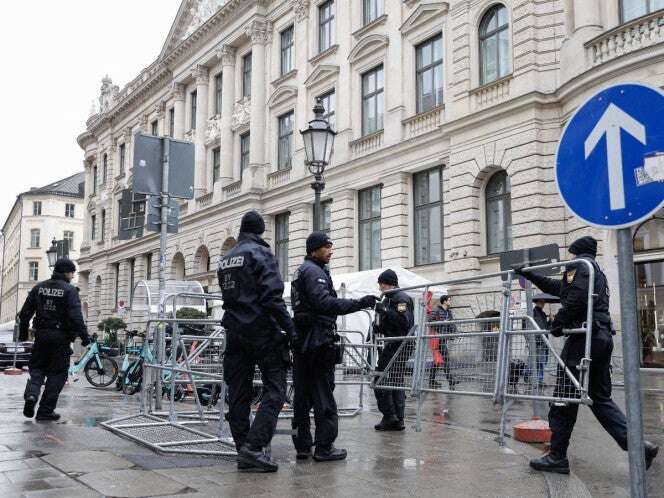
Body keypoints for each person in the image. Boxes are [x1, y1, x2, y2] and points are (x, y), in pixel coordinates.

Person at [516, 236, 658, 474]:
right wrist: (530, 275)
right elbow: (561, 289)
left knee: (564, 399)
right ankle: (639, 447)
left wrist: (557, 325)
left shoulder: (579, 266)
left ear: (576, 252)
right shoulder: (595, 271)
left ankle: (557, 457)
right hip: (601, 338)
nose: (570, 258)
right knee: (600, 400)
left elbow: (574, 300)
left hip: (584, 339)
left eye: (571, 254)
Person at [218, 210, 298, 473]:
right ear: (261, 230)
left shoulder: (226, 259)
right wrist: (291, 330)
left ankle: (244, 449)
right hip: (262, 332)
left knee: (238, 393)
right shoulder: (261, 253)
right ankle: (254, 447)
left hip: (234, 331)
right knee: (275, 389)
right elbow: (272, 298)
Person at [290, 232, 377, 461]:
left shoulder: (302, 271)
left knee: (303, 396)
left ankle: (302, 446)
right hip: (317, 341)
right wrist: (359, 303)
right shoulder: (314, 272)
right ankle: (324, 447)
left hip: (304, 340)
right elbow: (324, 303)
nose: (331, 250)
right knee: (322, 395)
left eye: (331, 246)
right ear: (314, 249)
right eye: (326, 246)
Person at [19, 258, 90, 421]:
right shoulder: (70, 290)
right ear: (66, 272)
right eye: (72, 272)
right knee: (57, 374)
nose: (73, 276)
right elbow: (76, 317)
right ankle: (45, 411)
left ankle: (31, 396)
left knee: (37, 369)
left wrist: (23, 335)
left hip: (41, 336)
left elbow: (24, 314)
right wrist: (85, 337)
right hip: (61, 339)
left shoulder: (39, 288)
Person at [372, 269, 414, 431]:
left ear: (387, 283)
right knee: (395, 380)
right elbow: (391, 323)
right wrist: (377, 326)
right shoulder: (390, 299)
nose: (380, 288)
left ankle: (390, 416)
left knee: (381, 378)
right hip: (394, 343)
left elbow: (403, 322)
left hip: (399, 344)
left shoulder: (400, 298)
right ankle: (397, 419)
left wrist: (385, 312)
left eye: (381, 284)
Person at [428, 295, 459, 390]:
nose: (450, 301)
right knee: (445, 358)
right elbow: (429, 320)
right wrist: (442, 322)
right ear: (444, 301)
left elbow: (452, 324)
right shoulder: (436, 310)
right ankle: (450, 380)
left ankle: (431, 381)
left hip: (444, 337)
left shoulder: (449, 312)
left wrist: (454, 333)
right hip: (437, 337)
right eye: (449, 300)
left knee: (437, 361)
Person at [531, 298, 552, 387]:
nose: (544, 304)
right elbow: (529, 325)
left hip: (544, 340)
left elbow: (547, 327)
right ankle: (538, 380)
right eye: (542, 302)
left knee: (542, 361)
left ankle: (527, 375)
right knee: (540, 362)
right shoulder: (533, 312)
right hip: (538, 341)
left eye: (544, 302)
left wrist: (550, 320)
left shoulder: (542, 314)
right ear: (537, 302)